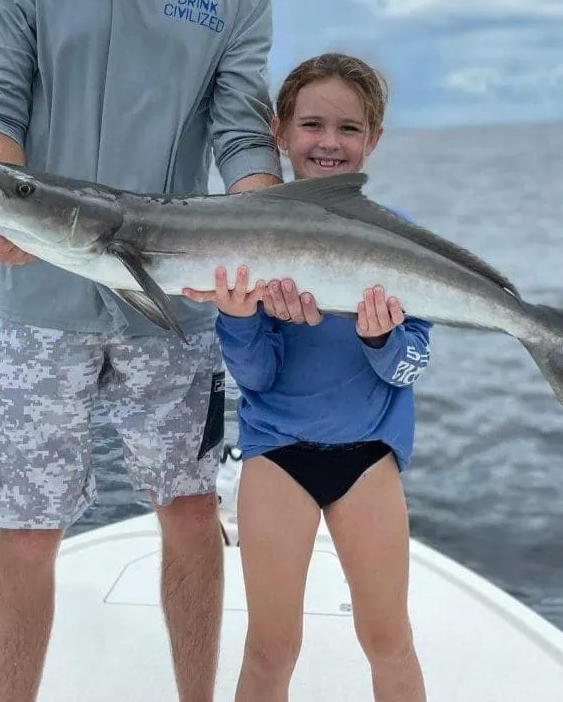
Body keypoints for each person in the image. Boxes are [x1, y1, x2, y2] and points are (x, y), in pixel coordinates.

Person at [0, 0, 282, 702]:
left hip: (174, 303)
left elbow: (241, 135)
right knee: (28, 527)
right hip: (42, 297)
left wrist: (265, 236)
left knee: (189, 511)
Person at [182, 53, 431, 701]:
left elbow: (414, 363)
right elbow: (257, 377)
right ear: (280, 132)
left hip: (368, 457)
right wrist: (239, 318)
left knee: (389, 641)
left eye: (349, 128)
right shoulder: (248, 237)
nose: (329, 141)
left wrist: (379, 338)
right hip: (277, 455)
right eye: (312, 124)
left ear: (373, 139)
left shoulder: (400, 238)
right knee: (270, 649)